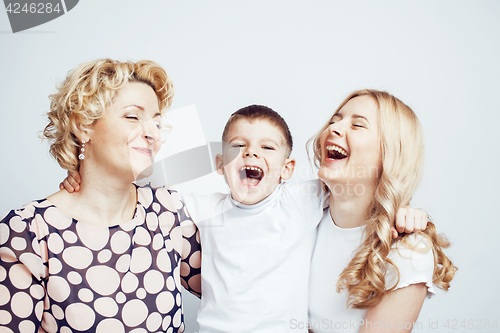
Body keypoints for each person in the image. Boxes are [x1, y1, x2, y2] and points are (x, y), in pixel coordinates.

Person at [60, 105, 425, 333]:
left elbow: (365, 188)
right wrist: (82, 174)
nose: (251, 152)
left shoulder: (304, 200)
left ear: (287, 170)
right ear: (220, 165)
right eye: (238, 147)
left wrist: (407, 211)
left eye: (267, 148)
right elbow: (145, 178)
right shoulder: (205, 207)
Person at [0, 59, 201, 333]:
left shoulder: (169, 210)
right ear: (83, 125)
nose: (152, 133)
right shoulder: (28, 233)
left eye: (157, 122)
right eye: (133, 116)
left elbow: (237, 287)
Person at [307, 89, 457, 333]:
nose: (332, 129)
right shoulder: (303, 214)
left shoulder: (408, 251)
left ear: (389, 153)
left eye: (357, 125)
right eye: (334, 121)